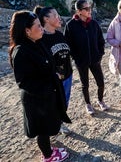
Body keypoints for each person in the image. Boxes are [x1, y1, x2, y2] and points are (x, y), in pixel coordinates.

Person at [9, 10, 71, 161]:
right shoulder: (21, 52)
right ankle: (48, 156)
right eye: (38, 26)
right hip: (37, 99)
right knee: (42, 129)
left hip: (47, 95)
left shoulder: (37, 42)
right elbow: (24, 82)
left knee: (48, 125)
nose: (42, 28)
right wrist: (48, 87)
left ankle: (48, 149)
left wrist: (54, 75)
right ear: (27, 31)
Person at [64, 0, 108, 115]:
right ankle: (88, 104)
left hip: (95, 59)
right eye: (87, 9)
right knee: (85, 84)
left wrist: (100, 54)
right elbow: (68, 45)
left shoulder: (94, 24)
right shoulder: (70, 25)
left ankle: (100, 100)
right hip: (81, 61)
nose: (90, 11)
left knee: (101, 82)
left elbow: (101, 41)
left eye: (90, 8)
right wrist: (76, 58)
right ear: (79, 11)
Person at [34, 6, 73, 134]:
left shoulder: (60, 35)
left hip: (67, 76)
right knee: (52, 104)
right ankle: (51, 127)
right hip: (52, 80)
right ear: (46, 19)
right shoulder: (40, 39)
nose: (59, 18)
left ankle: (59, 123)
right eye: (55, 15)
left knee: (64, 102)